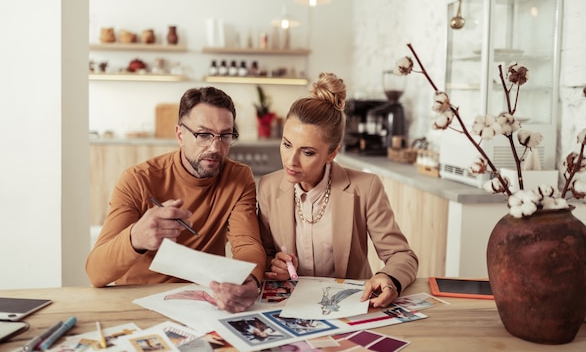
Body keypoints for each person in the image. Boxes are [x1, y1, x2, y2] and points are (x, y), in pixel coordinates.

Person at [86, 86, 266, 312]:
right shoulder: (137, 179)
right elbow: (95, 272)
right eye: (203, 135)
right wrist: (135, 238)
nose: (215, 147)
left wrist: (252, 280)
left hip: (204, 302)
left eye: (225, 136)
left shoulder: (238, 177)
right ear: (180, 135)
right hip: (140, 302)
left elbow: (247, 244)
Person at [257, 72, 419, 308]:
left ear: (332, 153)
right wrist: (274, 265)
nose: (291, 160)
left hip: (350, 307)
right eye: (287, 144)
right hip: (291, 308)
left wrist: (388, 278)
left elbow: (402, 256)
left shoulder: (366, 187)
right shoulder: (268, 187)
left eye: (308, 152)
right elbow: (264, 253)